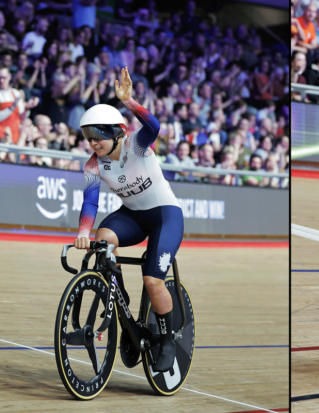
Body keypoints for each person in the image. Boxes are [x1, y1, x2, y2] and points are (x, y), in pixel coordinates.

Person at [74, 67, 182, 373]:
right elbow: (90, 201)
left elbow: (155, 125)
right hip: (133, 217)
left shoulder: (136, 143)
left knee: (152, 281)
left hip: (165, 216)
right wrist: (84, 231)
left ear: (115, 131)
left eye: (98, 136)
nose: (93, 143)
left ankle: (169, 340)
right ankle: (123, 308)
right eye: (88, 137)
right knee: (103, 237)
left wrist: (130, 101)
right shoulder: (94, 165)